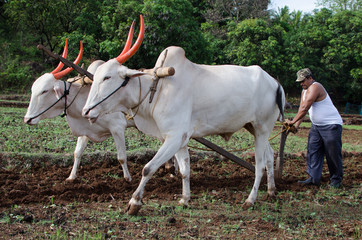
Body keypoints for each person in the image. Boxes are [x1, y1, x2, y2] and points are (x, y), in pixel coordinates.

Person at [285, 68, 343, 188]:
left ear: (310, 78)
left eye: (303, 81)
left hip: (331, 125)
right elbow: (302, 109)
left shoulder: (316, 87)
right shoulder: (304, 91)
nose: (301, 84)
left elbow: (305, 107)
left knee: (332, 153)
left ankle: (336, 180)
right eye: (299, 82)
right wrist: (296, 126)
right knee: (313, 151)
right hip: (316, 126)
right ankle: (313, 179)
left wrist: (292, 121)